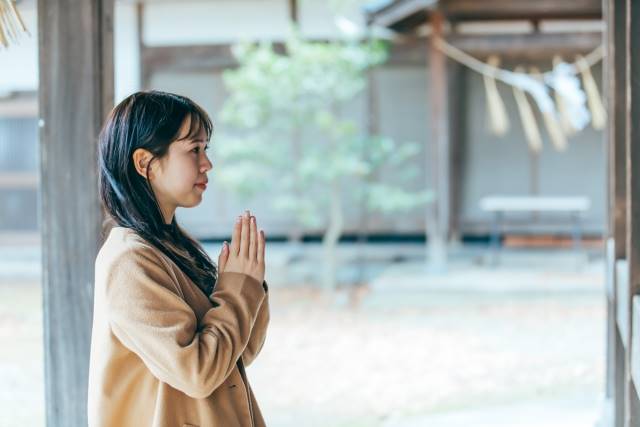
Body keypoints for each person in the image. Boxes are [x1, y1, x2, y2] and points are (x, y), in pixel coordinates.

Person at [88, 90, 270, 427]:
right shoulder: (130, 260)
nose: (207, 164)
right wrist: (236, 290)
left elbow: (237, 355)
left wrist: (250, 283)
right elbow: (198, 373)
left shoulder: (171, 248)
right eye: (194, 149)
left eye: (206, 149)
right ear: (145, 163)